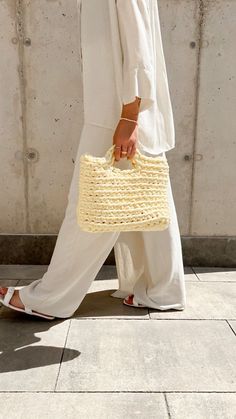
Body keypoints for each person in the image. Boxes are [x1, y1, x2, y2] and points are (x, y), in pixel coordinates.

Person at [0, 0, 186, 319]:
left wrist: (129, 117)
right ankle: (163, 289)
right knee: (149, 197)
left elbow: (139, 47)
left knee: (89, 206)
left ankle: (49, 298)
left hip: (118, 114)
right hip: (121, 111)